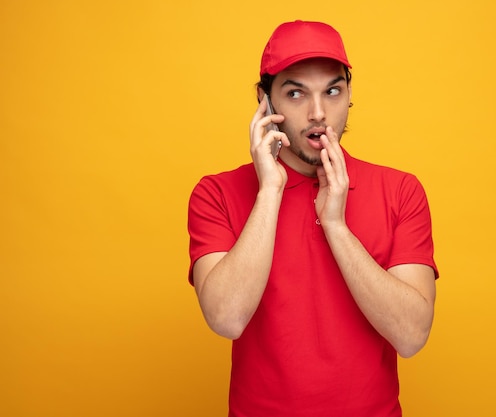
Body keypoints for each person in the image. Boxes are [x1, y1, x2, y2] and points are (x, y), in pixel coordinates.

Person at [187, 20, 438, 417]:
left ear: (349, 95)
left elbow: (411, 336)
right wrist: (270, 189)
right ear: (265, 100)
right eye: (295, 93)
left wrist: (336, 226)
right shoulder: (215, 194)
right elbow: (227, 318)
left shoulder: (401, 191)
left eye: (332, 92)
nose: (318, 113)